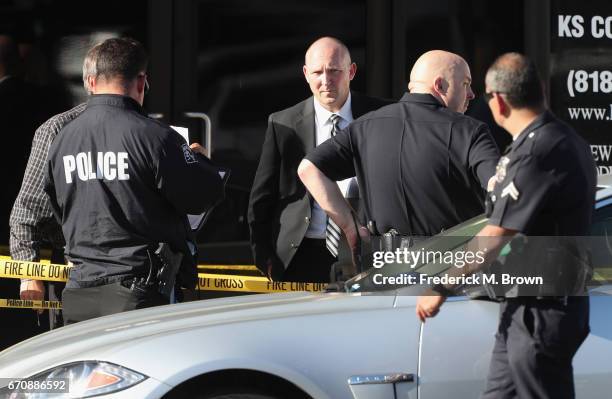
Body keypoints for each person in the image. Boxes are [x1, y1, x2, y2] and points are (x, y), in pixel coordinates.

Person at [416, 53, 596, 399]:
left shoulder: (540, 151)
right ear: (540, 90)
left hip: (543, 309)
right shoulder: (554, 140)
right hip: (526, 307)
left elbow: (496, 235)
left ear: (497, 101)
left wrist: (442, 285)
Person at [44, 37, 225, 325]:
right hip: (138, 292)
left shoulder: (62, 139)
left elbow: (57, 206)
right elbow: (202, 195)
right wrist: (201, 162)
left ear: (92, 81)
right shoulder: (157, 137)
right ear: (141, 81)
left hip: (79, 291)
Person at [298, 50, 499, 263]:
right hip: (453, 273)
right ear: (439, 85)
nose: (471, 95)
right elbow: (500, 187)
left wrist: (351, 227)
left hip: (383, 272)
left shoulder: (364, 127)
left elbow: (308, 168)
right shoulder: (469, 130)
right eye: (466, 84)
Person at [248, 37, 390, 282]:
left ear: (351, 71)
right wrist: (264, 257)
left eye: (334, 71)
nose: (326, 81)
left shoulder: (381, 116)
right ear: (305, 74)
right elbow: (262, 197)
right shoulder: (283, 123)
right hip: (300, 253)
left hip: (367, 251)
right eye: (317, 72)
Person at [10, 42, 101, 332]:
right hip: (75, 273)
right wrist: (29, 272)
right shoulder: (58, 130)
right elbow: (27, 213)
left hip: (139, 278)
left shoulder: (154, 135)